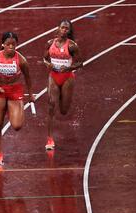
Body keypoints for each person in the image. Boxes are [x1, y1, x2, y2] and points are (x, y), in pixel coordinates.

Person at [0, 31, 34, 166]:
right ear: (3, 44)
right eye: (8, 44)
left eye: (14, 44)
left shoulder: (22, 60)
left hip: (15, 91)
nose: (11, 47)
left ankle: (11, 109)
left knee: (17, 126)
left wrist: (30, 94)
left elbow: (28, 78)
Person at [42, 19, 81, 150]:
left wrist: (69, 68)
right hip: (53, 76)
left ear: (69, 31)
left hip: (67, 78)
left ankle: (61, 95)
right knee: (51, 105)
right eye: (62, 28)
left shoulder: (72, 46)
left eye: (66, 29)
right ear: (58, 28)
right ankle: (49, 139)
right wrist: (47, 64)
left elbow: (80, 63)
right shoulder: (49, 43)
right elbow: (44, 58)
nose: (64, 30)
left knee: (63, 111)